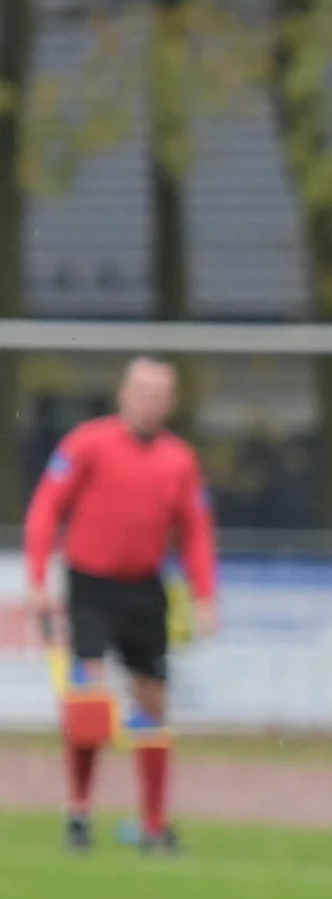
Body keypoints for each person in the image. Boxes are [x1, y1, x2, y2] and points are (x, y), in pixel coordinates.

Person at [23, 357, 218, 855]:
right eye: (143, 391)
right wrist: (39, 575)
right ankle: (80, 811)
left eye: (160, 393)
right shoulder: (87, 443)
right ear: (124, 395)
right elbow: (47, 506)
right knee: (89, 696)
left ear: (170, 403)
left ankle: (154, 823)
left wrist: (205, 594)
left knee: (152, 701)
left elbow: (196, 532)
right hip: (90, 584)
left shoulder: (180, 460)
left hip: (144, 588)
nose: (151, 401)